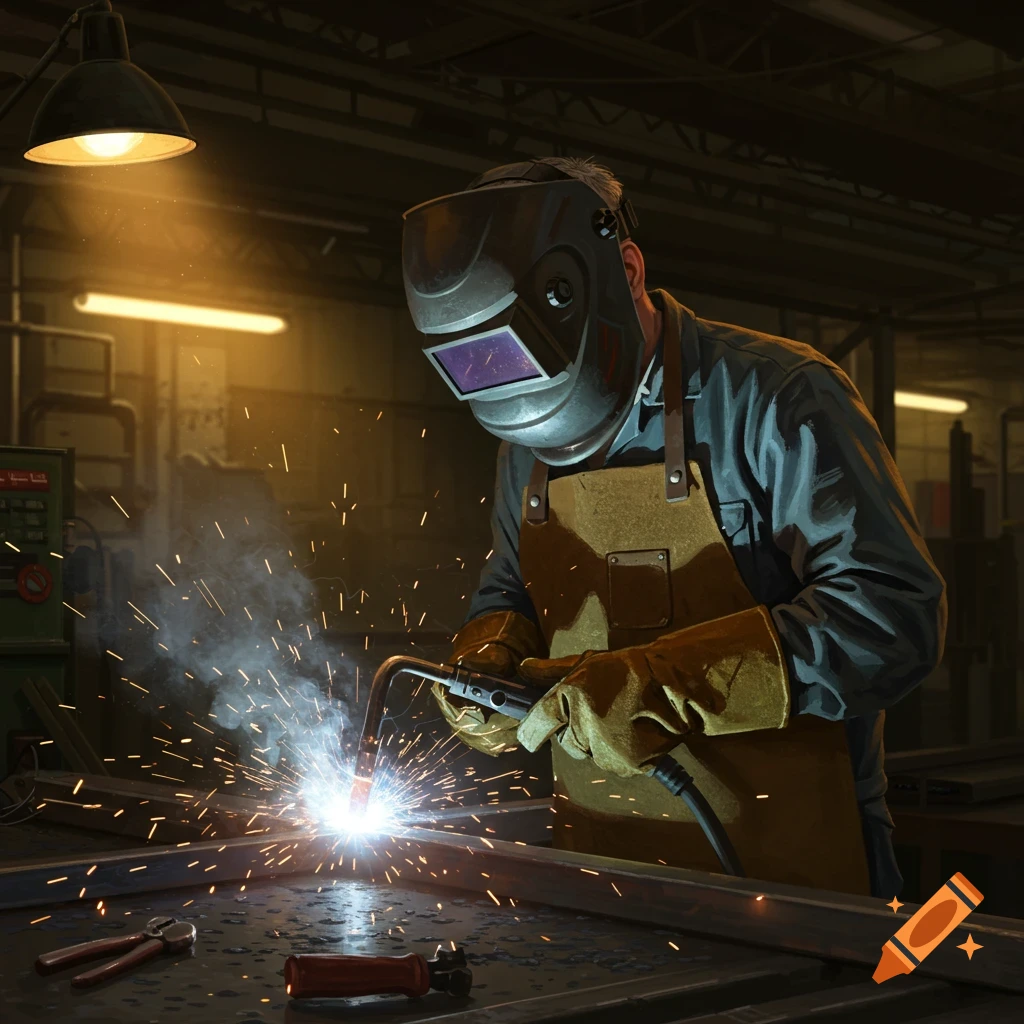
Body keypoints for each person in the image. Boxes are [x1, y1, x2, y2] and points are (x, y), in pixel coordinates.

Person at [400, 156, 946, 898]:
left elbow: (893, 617)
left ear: (623, 270)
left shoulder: (778, 397)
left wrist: (665, 686)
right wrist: (492, 651)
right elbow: (513, 586)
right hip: (598, 861)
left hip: (791, 865)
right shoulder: (520, 445)